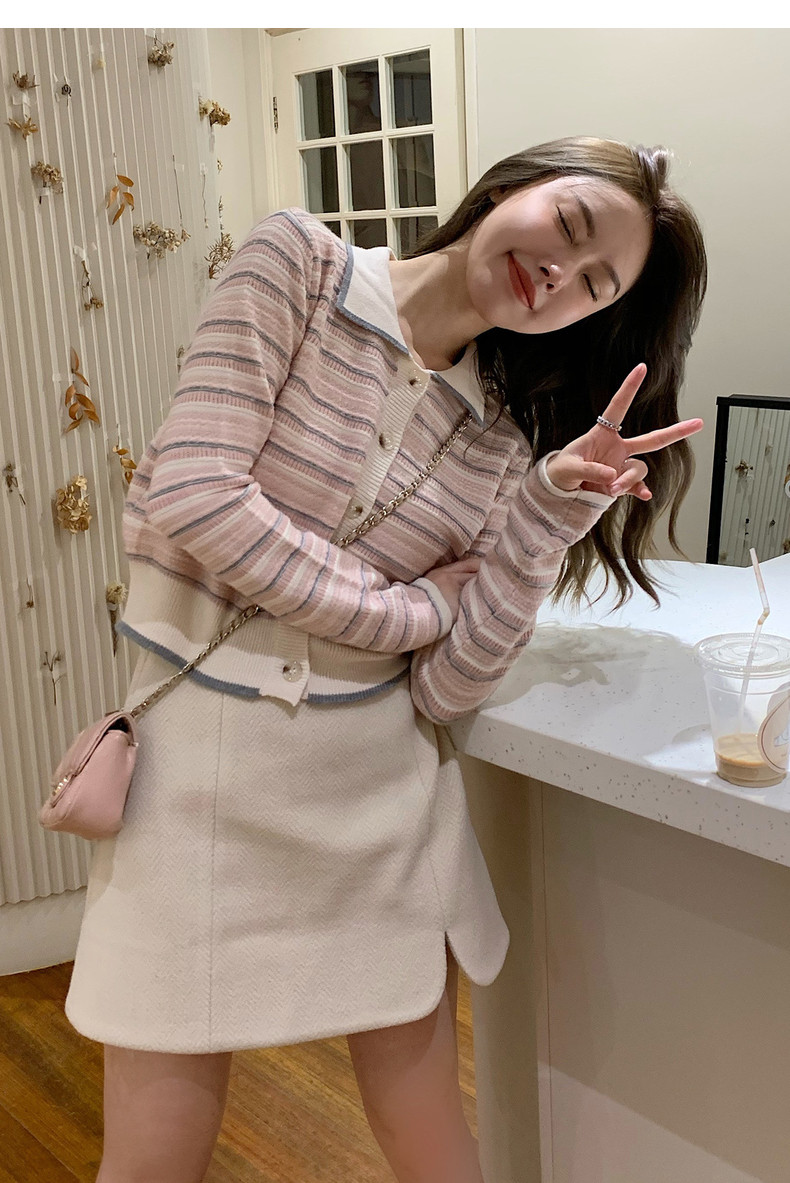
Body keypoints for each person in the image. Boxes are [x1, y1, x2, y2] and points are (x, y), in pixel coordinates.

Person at [65, 136, 707, 1183]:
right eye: (570, 225)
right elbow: (195, 491)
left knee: (431, 1142)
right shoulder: (296, 267)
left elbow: (448, 688)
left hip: (375, 803)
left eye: (595, 285)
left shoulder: (506, 447)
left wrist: (543, 520)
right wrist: (412, 611)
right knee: (153, 1154)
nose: (560, 273)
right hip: (192, 786)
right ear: (511, 187)